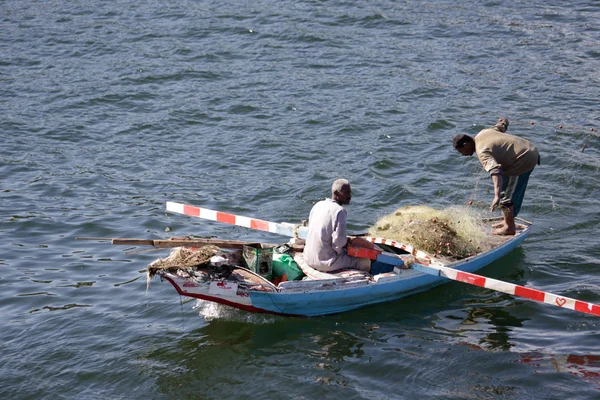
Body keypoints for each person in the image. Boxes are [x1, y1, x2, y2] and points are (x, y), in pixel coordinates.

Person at [453, 118, 540, 235]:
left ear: (466, 144)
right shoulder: (484, 132)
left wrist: (496, 195)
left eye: (461, 151)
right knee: (510, 190)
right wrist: (504, 120)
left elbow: (496, 171)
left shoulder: (482, 151)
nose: (463, 155)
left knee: (505, 197)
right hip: (530, 149)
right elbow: (500, 126)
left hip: (523, 159)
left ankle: (509, 228)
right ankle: (507, 221)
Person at [303, 179, 373, 272]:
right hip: (326, 262)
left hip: (308, 258)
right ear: (336, 193)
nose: (350, 196)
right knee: (365, 262)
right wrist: (346, 247)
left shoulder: (318, 205)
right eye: (346, 193)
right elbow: (338, 243)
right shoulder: (340, 211)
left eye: (350, 193)